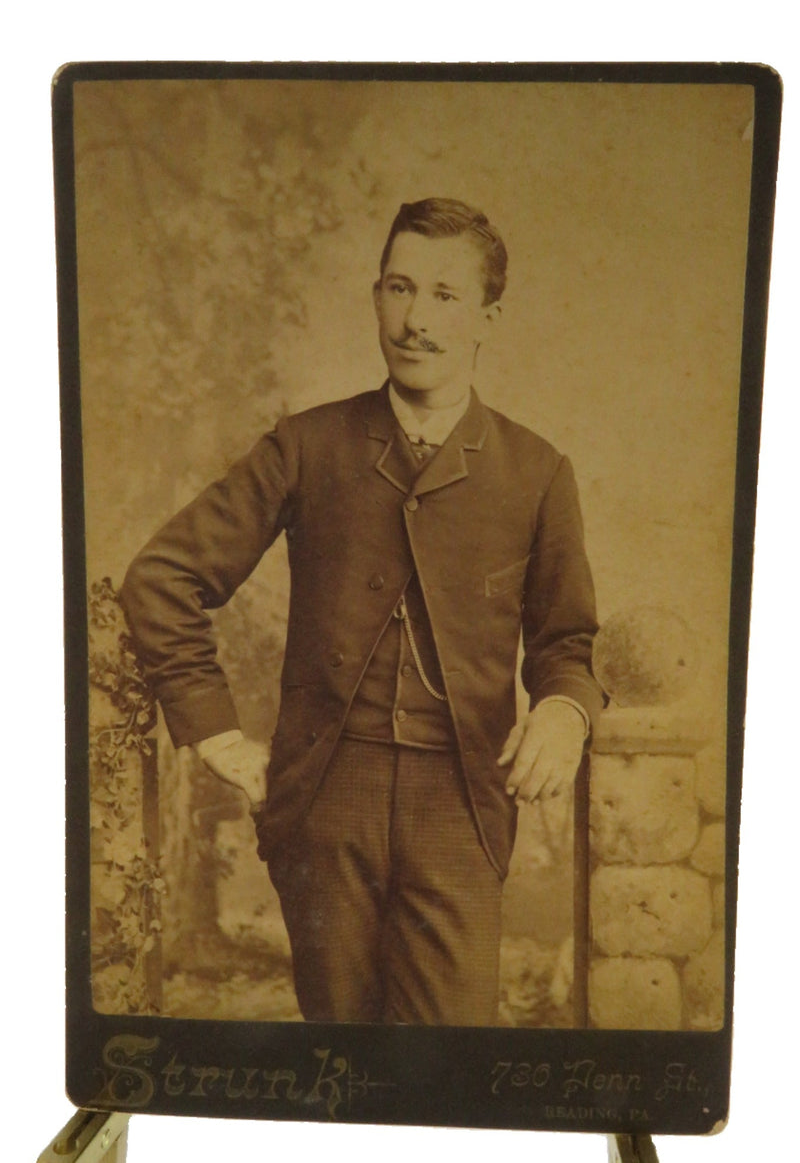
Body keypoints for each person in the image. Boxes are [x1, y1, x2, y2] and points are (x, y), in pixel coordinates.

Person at [121, 197, 604, 1027]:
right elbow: (161, 579)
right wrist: (215, 731)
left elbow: (566, 642)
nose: (416, 320)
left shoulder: (536, 472)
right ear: (377, 296)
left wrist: (564, 709)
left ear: (488, 316)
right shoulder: (309, 445)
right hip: (323, 799)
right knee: (337, 1069)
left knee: (449, 1079)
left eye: (445, 297)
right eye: (399, 288)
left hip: (461, 806)